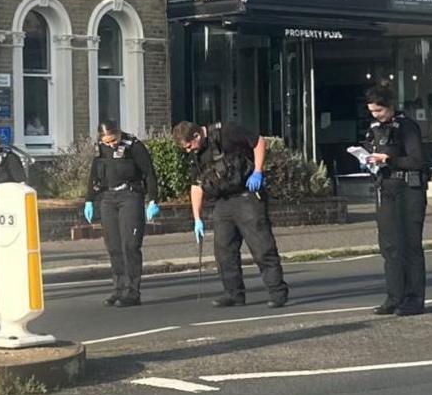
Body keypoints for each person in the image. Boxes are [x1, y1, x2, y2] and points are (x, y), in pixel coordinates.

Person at [174, 120, 288, 309]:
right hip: (223, 202)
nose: (188, 150)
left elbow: (258, 142)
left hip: (248, 197)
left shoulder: (228, 131)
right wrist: (197, 218)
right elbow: (197, 185)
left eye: (189, 146)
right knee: (224, 251)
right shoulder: (197, 154)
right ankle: (234, 294)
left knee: (262, 248)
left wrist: (258, 172)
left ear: (197, 136)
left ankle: (277, 293)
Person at [363, 83, 429, 316]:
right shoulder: (374, 128)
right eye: (372, 111)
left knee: (410, 244)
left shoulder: (407, 127)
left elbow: (417, 160)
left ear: (390, 106)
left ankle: (414, 298)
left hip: (409, 189)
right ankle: (394, 296)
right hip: (386, 188)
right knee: (390, 246)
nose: (376, 115)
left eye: (379, 111)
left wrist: (389, 159)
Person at [83, 121, 159, 307]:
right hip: (108, 197)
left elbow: (149, 173)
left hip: (129, 195)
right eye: (107, 141)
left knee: (130, 245)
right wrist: (89, 200)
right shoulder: (100, 148)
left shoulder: (134, 146)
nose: (111, 145)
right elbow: (94, 174)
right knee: (113, 246)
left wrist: (153, 199)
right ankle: (118, 288)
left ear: (118, 133)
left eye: (113, 140)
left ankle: (132, 291)